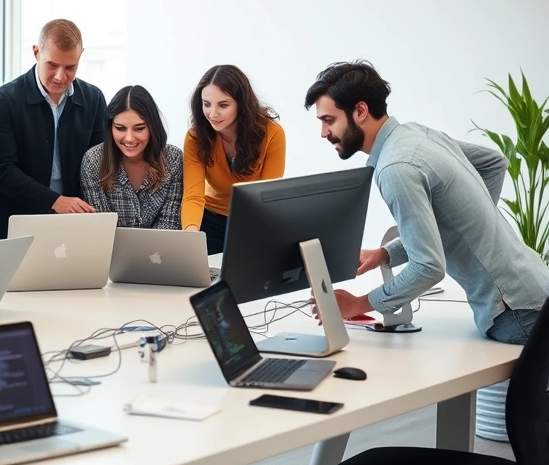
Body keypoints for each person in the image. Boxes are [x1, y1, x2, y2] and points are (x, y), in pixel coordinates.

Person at [305, 59, 547, 345]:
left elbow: (428, 267)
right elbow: (494, 163)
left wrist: (357, 304)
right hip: (536, 290)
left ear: (360, 111)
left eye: (328, 120)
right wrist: (385, 254)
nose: (323, 133)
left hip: (516, 314)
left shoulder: (395, 167)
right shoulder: (415, 134)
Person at [0, 19, 107, 238]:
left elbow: (97, 164)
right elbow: (0, 170)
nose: (61, 76)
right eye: (52, 65)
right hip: (14, 220)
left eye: (70, 67)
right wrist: (55, 202)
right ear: (36, 52)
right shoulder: (2, 101)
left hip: (73, 221)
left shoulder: (94, 98)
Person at [182, 65, 286, 254]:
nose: (212, 114)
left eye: (223, 105)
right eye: (206, 104)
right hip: (210, 221)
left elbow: (266, 198)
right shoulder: (196, 137)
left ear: (241, 104)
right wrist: (190, 237)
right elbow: (193, 196)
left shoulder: (272, 134)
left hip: (250, 223)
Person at [80, 85, 183, 229]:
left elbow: (169, 223)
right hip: (112, 250)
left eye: (139, 128)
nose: (129, 138)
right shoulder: (94, 160)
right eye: (120, 128)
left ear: (152, 126)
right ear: (110, 127)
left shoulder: (173, 158)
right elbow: (103, 227)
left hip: (162, 250)